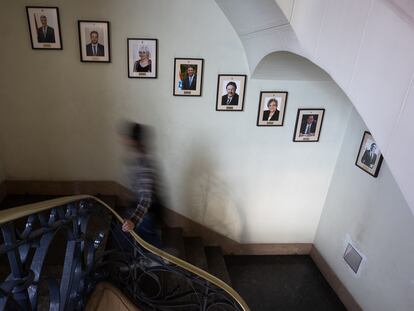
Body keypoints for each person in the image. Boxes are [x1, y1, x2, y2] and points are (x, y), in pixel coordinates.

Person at [120, 122, 162, 248]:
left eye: (127, 138)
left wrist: (134, 220)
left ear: (133, 141)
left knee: (148, 242)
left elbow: (146, 197)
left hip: (148, 214)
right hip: (145, 211)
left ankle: (164, 257)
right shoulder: (139, 158)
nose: (124, 140)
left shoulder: (144, 163)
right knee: (144, 240)